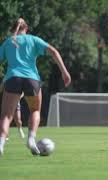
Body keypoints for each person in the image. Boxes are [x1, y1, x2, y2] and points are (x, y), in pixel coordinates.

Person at [0, 18, 71, 156]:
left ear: (13, 29)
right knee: (35, 110)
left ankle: (1, 143)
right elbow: (54, 51)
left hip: (12, 78)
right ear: (26, 29)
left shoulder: (8, 42)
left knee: (6, 115)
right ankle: (31, 139)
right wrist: (64, 72)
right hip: (32, 79)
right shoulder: (33, 39)